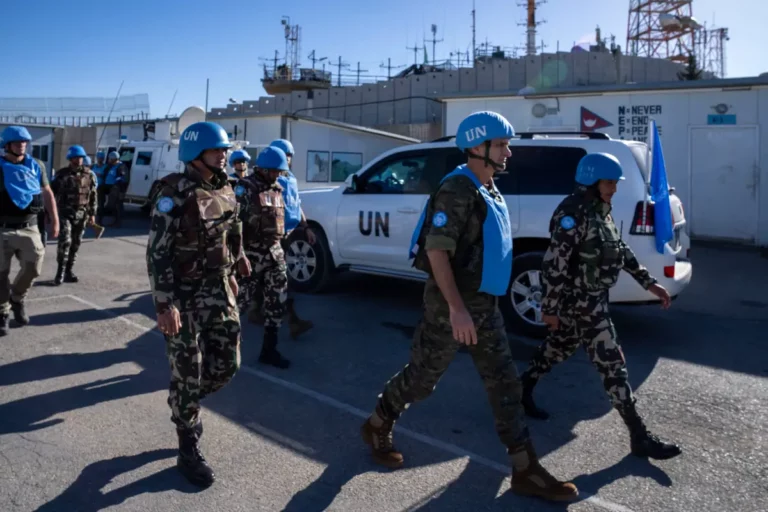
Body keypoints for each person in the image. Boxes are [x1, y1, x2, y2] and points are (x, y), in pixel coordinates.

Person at [360, 111, 579, 502]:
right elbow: (437, 252)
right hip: (451, 307)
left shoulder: (487, 186)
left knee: (505, 383)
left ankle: (525, 468)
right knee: (422, 381)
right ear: (478, 147)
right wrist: (457, 310)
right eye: (502, 145)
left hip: (484, 306)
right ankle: (378, 422)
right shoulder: (458, 190)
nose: (509, 152)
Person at [520, 152, 682, 460]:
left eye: (614, 183)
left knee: (559, 348)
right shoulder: (572, 213)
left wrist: (648, 282)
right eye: (609, 182)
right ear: (591, 181)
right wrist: (550, 308)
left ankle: (520, 390)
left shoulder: (600, 210)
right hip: (580, 303)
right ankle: (639, 436)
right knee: (613, 365)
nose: (614, 189)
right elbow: (555, 265)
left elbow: (619, 249)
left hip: (592, 298)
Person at [146, 120, 251, 487]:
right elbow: (157, 254)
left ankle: (182, 402)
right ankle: (187, 443)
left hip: (219, 289)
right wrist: (164, 304)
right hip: (183, 297)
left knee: (228, 365)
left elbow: (233, 228)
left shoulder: (227, 188)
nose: (224, 155)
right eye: (216, 150)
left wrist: (237, 262)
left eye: (224, 149)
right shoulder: (172, 193)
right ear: (196, 155)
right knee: (188, 371)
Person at [247, 138, 314, 340]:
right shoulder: (271, 181)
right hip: (272, 237)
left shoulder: (289, 178)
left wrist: (306, 226)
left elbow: (296, 204)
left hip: (289, 232)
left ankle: (261, 311)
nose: (288, 160)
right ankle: (284, 318)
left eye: (289, 156)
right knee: (277, 279)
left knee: (275, 279)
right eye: (285, 155)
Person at [235, 146, 292, 369]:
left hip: (274, 254)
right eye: (275, 171)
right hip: (251, 254)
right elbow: (235, 224)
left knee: (277, 302)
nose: (278, 175)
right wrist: (239, 255)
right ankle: (223, 349)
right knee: (238, 303)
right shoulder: (245, 188)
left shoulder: (277, 188)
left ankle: (269, 350)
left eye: (280, 172)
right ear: (264, 168)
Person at [0, 126, 59, 335]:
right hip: (2, 229)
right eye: (17, 143)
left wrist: (55, 219)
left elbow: (47, 192)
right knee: (0, 274)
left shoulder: (36, 166)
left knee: (34, 268)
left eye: (24, 142)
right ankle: (2, 312)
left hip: (29, 226)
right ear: (7, 145)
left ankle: (17, 298)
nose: (22, 146)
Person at [50, 145, 97, 285]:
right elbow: (51, 194)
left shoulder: (90, 175)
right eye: (76, 157)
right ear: (70, 159)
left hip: (81, 214)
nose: (79, 160)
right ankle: (60, 272)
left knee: (76, 244)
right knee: (65, 242)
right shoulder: (61, 174)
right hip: (65, 213)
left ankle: (69, 271)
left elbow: (93, 196)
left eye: (81, 157)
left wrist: (92, 214)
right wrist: (50, 214)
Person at [102, 151, 127, 227]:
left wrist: (117, 185)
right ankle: (114, 221)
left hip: (117, 189)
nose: (109, 160)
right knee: (112, 205)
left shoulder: (121, 166)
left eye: (110, 158)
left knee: (117, 206)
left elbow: (123, 178)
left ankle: (118, 222)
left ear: (114, 159)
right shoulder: (111, 166)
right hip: (111, 189)